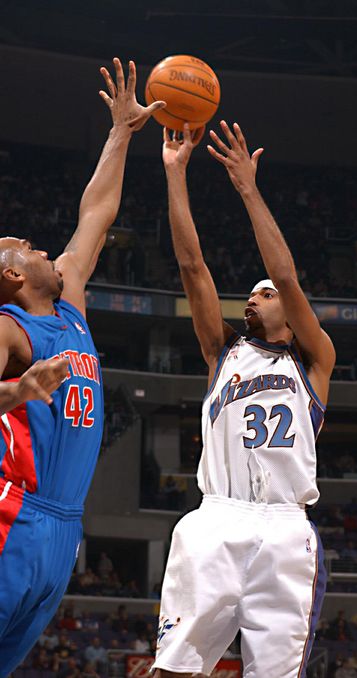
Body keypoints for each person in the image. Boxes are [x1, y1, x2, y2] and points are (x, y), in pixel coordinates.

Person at [153, 121, 335, 678]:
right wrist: (174, 173)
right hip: (216, 520)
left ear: (291, 308)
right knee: (173, 670)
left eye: (266, 293)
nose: (254, 297)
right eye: (252, 292)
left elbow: (285, 271)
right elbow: (192, 266)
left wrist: (247, 188)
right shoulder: (221, 353)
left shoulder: (314, 359)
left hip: (286, 527)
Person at [0, 57, 164, 675]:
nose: (45, 247)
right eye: (28, 247)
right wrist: (16, 392)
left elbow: (97, 212)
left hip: (65, 527)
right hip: (14, 512)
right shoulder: (10, 329)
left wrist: (122, 131)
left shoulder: (68, 303)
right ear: (14, 274)